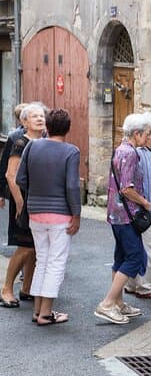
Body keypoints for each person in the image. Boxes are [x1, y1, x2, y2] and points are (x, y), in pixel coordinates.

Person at [15, 109, 81, 325]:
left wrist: (36, 192)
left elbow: (21, 178)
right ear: (68, 129)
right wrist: (76, 214)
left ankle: (37, 310)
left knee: (42, 260)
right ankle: (45, 313)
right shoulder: (71, 151)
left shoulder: (32, 146)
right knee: (56, 262)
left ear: (47, 127)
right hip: (60, 215)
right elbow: (72, 186)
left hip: (35, 212)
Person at [94, 113, 151, 324]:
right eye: (146, 134)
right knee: (134, 257)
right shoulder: (130, 153)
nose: (148, 138)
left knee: (121, 257)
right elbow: (126, 188)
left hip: (116, 214)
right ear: (136, 134)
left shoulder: (120, 149)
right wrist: (144, 202)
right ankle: (108, 303)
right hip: (127, 215)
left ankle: (118, 303)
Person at [1, 103, 46, 309]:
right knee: (25, 247)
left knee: (35, 247)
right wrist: (19, 203)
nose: (39, 119)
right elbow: (11, 175)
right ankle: (6, 290)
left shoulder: (44, 142)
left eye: (42, 116)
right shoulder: (21, 142)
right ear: (24, 122)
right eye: (34, 116)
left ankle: (27, 287)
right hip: (24, 200)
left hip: (38, 199)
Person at [125, 112, 151, 299]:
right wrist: (145, 203)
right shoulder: (140, 153)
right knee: (147, 246)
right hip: (147, 207)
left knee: (143, 245)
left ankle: (133, 283)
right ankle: (145, 286)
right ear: (148, 132)